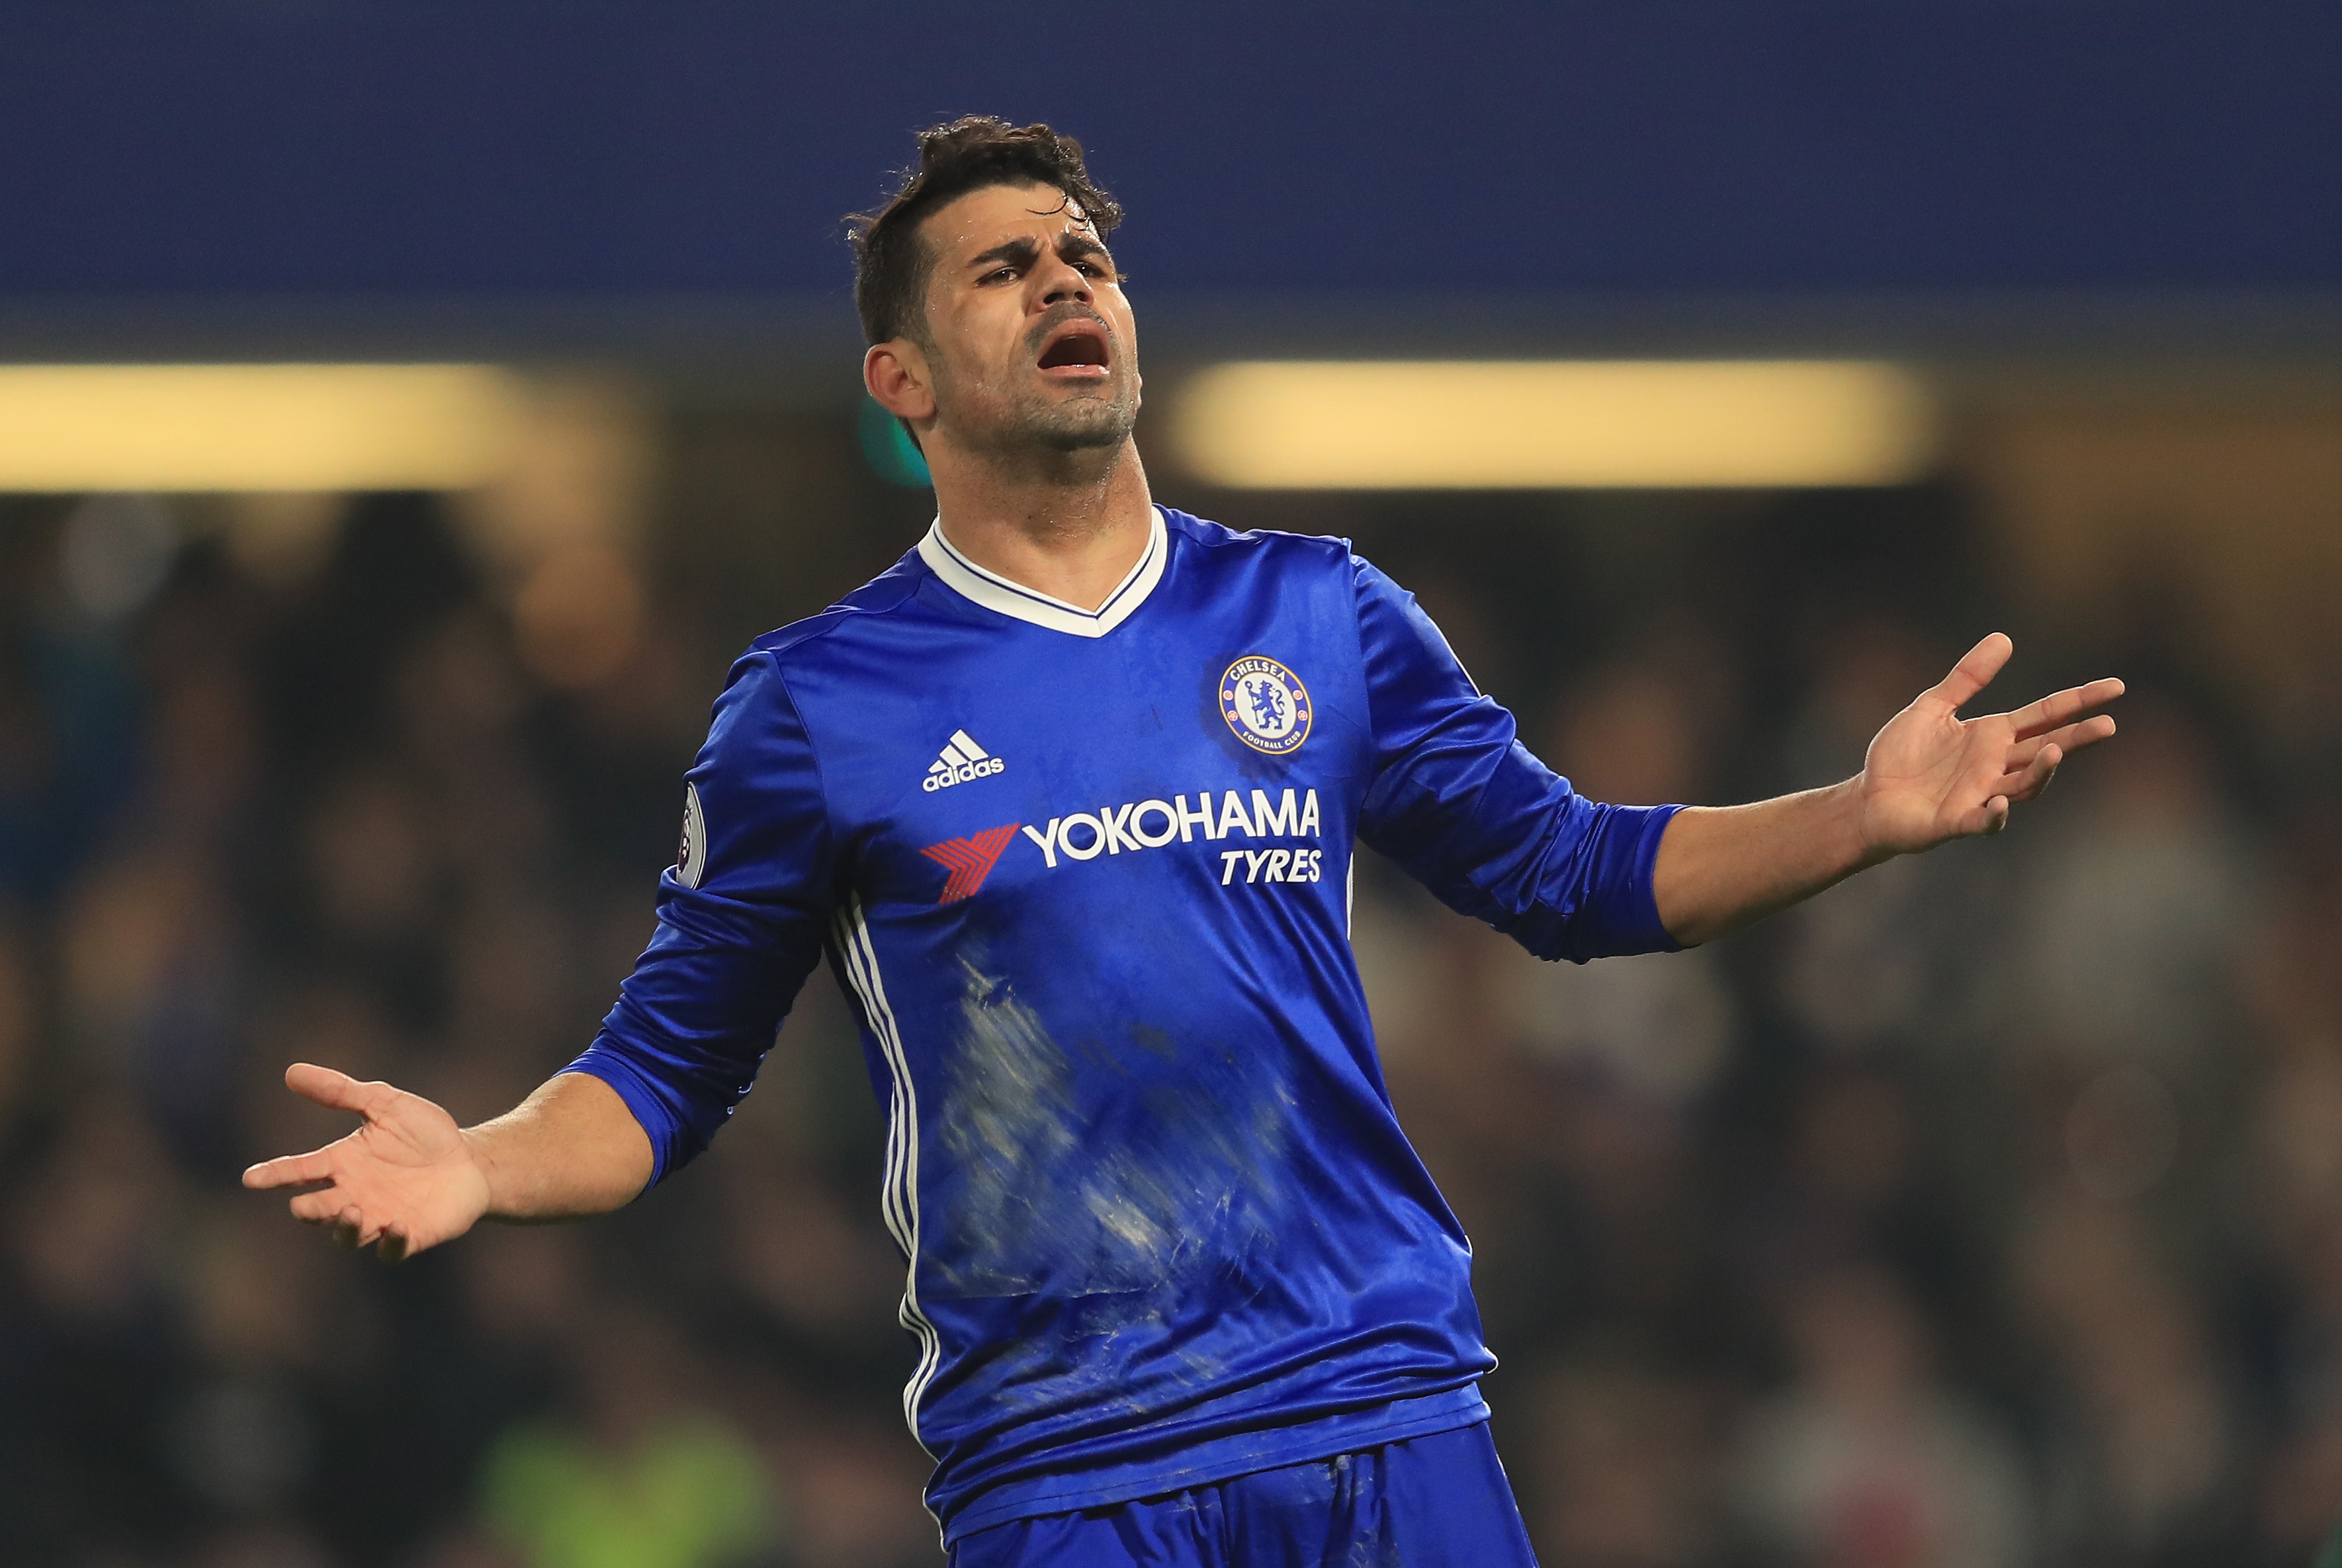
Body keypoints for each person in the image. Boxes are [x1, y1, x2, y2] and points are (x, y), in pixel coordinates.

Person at [244, 118, 2122, 1565]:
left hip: (1378, 1406)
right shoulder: (820, 703)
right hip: (1071, 1461)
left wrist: (1857, 821)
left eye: (1082, 254)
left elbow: (1573, 875)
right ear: (901, 378)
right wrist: (486, 1160)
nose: (1065, 281)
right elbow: (661, 1075)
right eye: (998, 270)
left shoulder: (1315, 613)